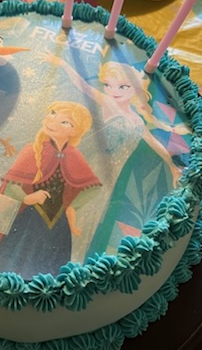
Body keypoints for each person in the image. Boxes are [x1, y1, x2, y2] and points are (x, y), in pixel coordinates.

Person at [45, 55, 188, 257]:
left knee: (91, 214)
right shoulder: (108, 103)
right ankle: (51, 249)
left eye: (123, 86)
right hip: (91, 167)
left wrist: (173, 167)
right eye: (108, 85)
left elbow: (154, 143)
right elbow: (84, 86)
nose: (114, 91)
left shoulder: (137, 121)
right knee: (72, 206)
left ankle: (74, 256)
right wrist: (64, 64)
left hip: (110, 177)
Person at [0, 100, 101, 279]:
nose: (52, 120)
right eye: (53, 113)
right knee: (15, 262)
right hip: (28, 222)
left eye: (65, 121)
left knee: (50, 272)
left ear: (74, 131)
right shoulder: (32, 150)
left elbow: (92, 188)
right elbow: (11, 184)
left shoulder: (74, 156)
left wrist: (72, 206)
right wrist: (27, 198)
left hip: (58, 227)